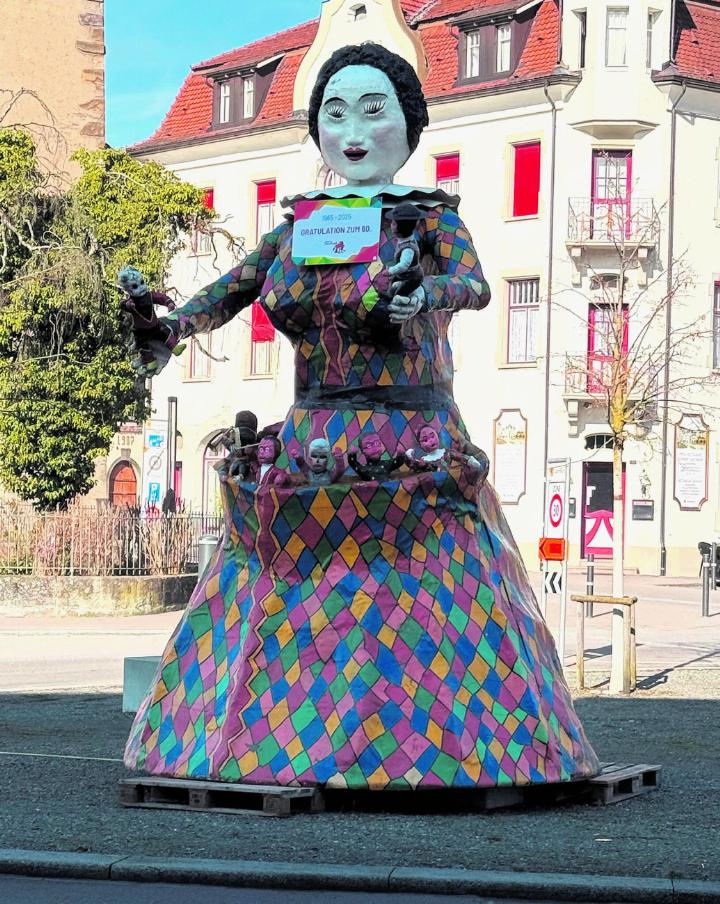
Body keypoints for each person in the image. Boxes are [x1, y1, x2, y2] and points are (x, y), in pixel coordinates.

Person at [126, 43, 599, 790]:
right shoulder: (299, 229)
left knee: (415, 600)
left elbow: (471, 285)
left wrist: (425, 296)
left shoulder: (430, 219)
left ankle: (435, 749)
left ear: (408, 123)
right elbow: (232, 288)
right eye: (335, 113)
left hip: (408, 436)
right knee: (294, 607)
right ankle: (276, 743)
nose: (352, 130)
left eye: (373, 110)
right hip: (310, 443)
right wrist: (170, 329)